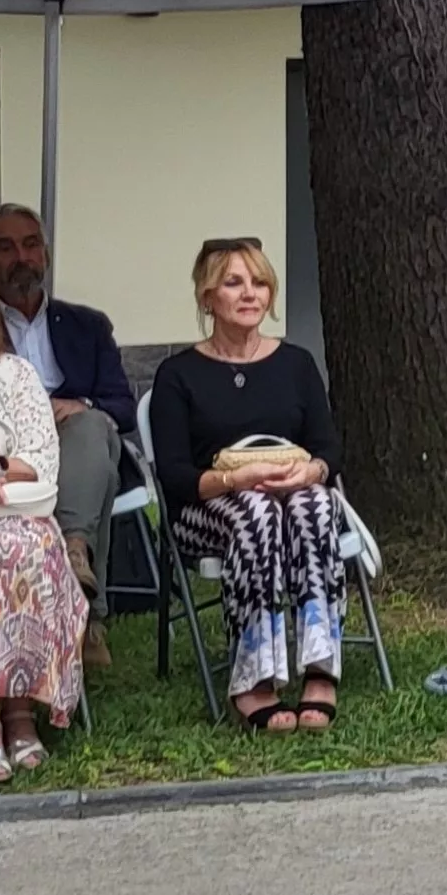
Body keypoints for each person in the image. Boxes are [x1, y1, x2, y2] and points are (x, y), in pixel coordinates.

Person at [149, 240, 348, 732]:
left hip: (292, 501)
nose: (250, 293)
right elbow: (174, 476)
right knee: (256, 511)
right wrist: (235, 480)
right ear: (206, 296)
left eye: (259, 282)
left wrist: (311, 471)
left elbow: (329, 449)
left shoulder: (296, 364)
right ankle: (254, 676)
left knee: (315, 502)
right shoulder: (178, 375)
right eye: (234, 282)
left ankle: (320, 668)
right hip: (209, 510)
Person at [0, 202, 130, 675]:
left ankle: (74, 552)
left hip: (75, 441)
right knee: (92, 453)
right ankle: (86, 607)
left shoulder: (87, 326)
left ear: (45, 253)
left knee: (94, 427)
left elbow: (122, 405)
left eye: (30, 245)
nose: (21, 257)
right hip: (5, 451)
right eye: (5, 247)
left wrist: (80, 405)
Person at [0, 269, 86, 779]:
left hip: (11, 511)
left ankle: (18, 708)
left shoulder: (12, 373)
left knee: (28, 548)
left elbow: (42, 456)